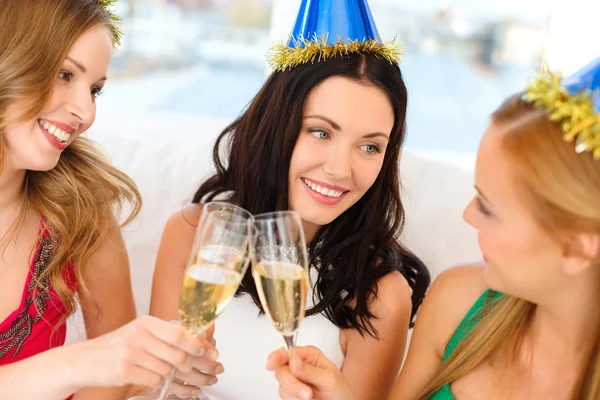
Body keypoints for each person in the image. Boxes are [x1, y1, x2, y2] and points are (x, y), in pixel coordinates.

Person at [268, 57, 600, 400]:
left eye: (488, 207)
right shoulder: (456, 300)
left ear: (577, 248)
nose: (468, 215)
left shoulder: (388, 296)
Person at [149, 0, 430, 398]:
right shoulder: (192, 234)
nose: (340, 169)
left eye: (369, 147)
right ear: (276, 127)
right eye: (320, 132)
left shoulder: (380, 294)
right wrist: (170, 384)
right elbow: (148, 386)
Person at [0, 1, 214, 398]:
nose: (86, 111)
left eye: (95, 89)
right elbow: (95, 362)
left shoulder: (82, 213)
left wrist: (161, 367)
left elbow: (112, 382)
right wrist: (78, 362)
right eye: (65, 74)